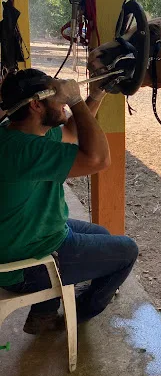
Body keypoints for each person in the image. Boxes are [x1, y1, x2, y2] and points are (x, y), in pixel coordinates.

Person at [0, 68, 138, 334]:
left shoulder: (20, 132)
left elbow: (73, 131)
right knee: (127, 251)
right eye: (57, 95)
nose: (63, 100)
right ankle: (77, 314)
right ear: (37, 105)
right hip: (23, 262)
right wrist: (75, 101)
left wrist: (96, 93)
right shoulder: (24, 151)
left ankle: (43, 311)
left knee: (101, 233)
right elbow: (99, 159)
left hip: (22, 235)